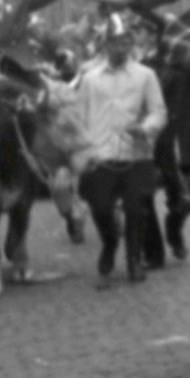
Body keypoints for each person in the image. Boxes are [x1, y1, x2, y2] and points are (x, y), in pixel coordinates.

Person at [76, 14, 168, 283]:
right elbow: (80, 117)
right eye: (115, 42)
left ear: (130, 44)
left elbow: (159, 111)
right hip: (100, 153)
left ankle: (134, 260)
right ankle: (109, 243)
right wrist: (81, 151)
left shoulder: (146, 76)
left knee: (136, 208)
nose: (120, 47)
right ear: (105, 45)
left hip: (135, 153)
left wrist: (147, 127)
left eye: (125, 41)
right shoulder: (90, 79)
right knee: (101, 208)